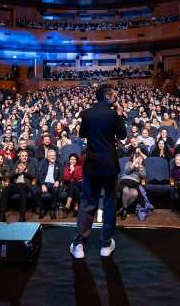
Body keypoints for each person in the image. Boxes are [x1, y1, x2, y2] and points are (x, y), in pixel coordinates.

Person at [70, 84, 127, 260]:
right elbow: (123, 135)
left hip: (92, 164)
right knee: (109, 204)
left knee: (88, 203)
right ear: (107, 96)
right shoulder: (112, 114)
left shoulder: (86, 113)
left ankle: (79, 244)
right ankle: (105, 244)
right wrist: (118, 112)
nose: (116, 97)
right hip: (109, 164)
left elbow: (83, 134)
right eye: (114, 95)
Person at [4, 149, 37, 222]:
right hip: (16, 185)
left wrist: (25, 171)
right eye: (23, 156)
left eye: (26, 156)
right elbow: (10, 176)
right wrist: (17, 172)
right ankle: (2, 215)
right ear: (20, 157)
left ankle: (22, 216)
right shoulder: (16, 163)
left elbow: (34, 176)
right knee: (5, 189)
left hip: (26, 185)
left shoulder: (31, 165)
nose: (24, 157)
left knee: (22, 188)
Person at [117, 152, 146, 221]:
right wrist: (133, 164)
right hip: (125, 180)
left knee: (135, 194)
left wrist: (140, 166)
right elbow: (126, 172)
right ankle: (124, 211)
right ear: (133, 158)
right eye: (136, 158)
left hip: (134, 183)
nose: (137, 159)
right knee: (126, 191)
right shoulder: (129, 163)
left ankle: (123, 208)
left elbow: (143, 176)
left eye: (139, 158)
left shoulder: (142, 167)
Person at [36, 149, 61, 220]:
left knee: (56, 191)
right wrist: (42, 185)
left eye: (54, 155)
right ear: (47, 157)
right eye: (51, 155)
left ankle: (53, 209)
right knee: (36, 191)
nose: (53, 157)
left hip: (53, 184)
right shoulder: (43, 163)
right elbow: (39, 175)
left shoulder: (59, 163)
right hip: (45, 184)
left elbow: (61, 175)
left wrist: (58, 181)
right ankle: (42, 208)